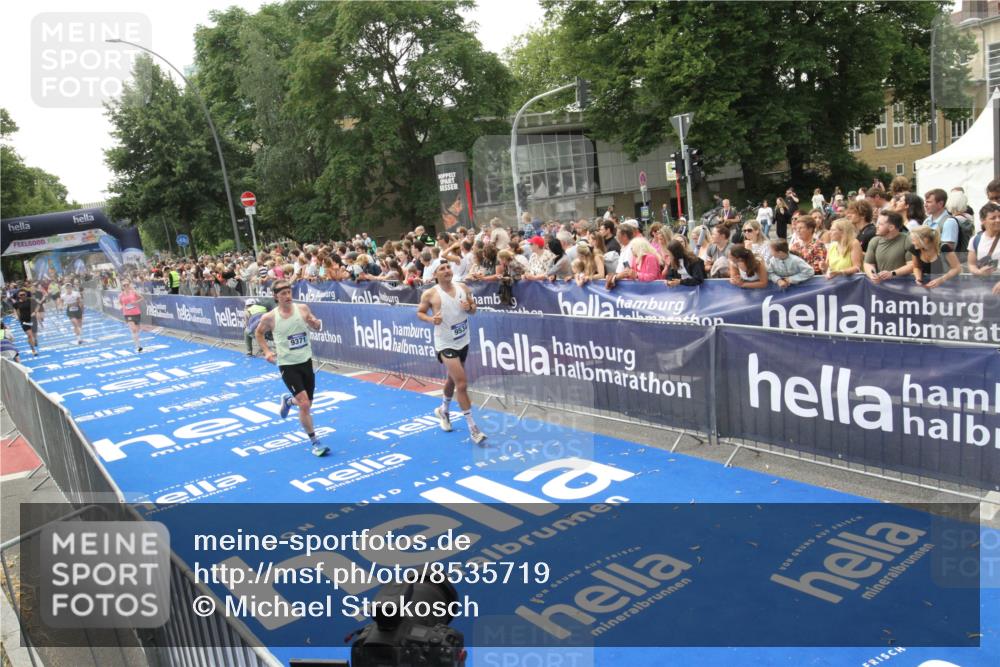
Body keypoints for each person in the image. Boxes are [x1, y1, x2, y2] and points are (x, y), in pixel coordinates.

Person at [254, 280, 329, 457]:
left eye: (289, 292)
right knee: (304, 404)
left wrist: (316, 324)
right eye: (283, 294)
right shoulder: (269, 317)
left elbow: (314, 324)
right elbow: (258, 333)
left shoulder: (302, 308)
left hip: (305, 361)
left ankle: (288, 401)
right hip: (287, 364)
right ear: (276, 297)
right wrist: (266, 351)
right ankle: (315, 442)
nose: (288, 296)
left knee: (307, 403)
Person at [417, 262, 486, 445]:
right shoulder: (430, 294)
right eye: (442, 269)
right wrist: (432, 319)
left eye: (448, 267)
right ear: (435, 275)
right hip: (445, 343)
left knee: (452, 379)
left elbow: (474, 309)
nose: (447, 270)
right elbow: (420, 313)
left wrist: (469, 308)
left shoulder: (463, 287)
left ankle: (443, 410)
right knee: (462, 383)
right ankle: (473, 428)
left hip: (463, 340)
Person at [864, 211, 914, 283]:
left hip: (903, 287)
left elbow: (912, 265)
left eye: (880, 224)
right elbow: (868, 263)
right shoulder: (874, 241)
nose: (876, 226)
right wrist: (872, 275)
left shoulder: (907, 240)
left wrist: (892, 273)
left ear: (891, 227)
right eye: (877, 223)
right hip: (880, 287)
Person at [968, 201, 1000, 278]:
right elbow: (971, 264)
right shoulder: (975, 239)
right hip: (984, 285)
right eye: (993, 218)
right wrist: (979, 272)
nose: (998, 220)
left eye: (999, 217)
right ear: (983, 221)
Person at [118, 280, 144, 352]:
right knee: (133, 329)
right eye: (124, 285)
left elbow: (142, 298)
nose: (126, 286)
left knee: (137, 329)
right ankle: (138, 346)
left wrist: (135, 302)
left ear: (129, 285)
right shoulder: (120, 295)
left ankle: (137, 341)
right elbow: (119, 303)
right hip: (127, 313)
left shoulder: (134, 292)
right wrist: (122, 307)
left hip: (136, 312)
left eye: (127, 285)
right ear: (122, 287)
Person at [14, 289, 38, 356]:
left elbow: (37, 306)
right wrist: (16, 316)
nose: (22, 296)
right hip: (24, 321)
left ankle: (35, 340)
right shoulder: (16, 303)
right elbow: (15, 310)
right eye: (21, 295)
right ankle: (33, 350)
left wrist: (35, 312)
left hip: (32, 320)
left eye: (24, 294)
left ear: (26, 295)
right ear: (19, 296)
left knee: (34, 334)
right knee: (29, 335)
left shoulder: (30, 300)